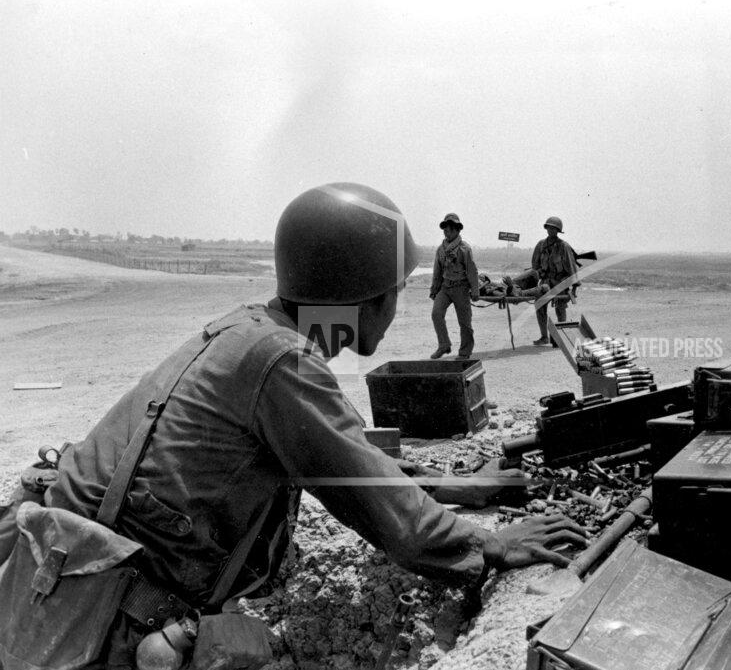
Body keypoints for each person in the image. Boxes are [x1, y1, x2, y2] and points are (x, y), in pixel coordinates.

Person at [0, 183, 586, 670]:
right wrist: (489, 544)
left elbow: (342, 453)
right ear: (361, 296)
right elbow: (377, 503)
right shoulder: (283, 362)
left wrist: (457, 487)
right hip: (101, 626)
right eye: (393, 292)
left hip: (64, 590)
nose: (394, 307)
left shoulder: (250, 332)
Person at [429, 213, 479, 359]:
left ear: (457, 230)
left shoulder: (465, 249)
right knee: (436, 314)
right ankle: (444, 345)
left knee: (465, 323)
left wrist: (475, 291)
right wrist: (434, 289)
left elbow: (472, 271)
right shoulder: (440, 249)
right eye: (445, 229)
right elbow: (437, 271)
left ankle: (465, 352)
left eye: (450, 229)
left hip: (461, 288)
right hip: (445, 287)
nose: (447, 232)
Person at [531, 216, 579, 346]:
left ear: (558, 230)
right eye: (549, 228)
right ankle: (544, 337)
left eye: (554, 228)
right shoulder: (541, 245)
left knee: (560, 308)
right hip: (545, 283)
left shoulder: (563, 246)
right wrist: (538, 274)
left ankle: (561, 337)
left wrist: (574, 288)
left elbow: (571, 267)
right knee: (539, 305)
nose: (551, 230)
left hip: (560, 283)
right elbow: (535, 265)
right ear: (546, 228)